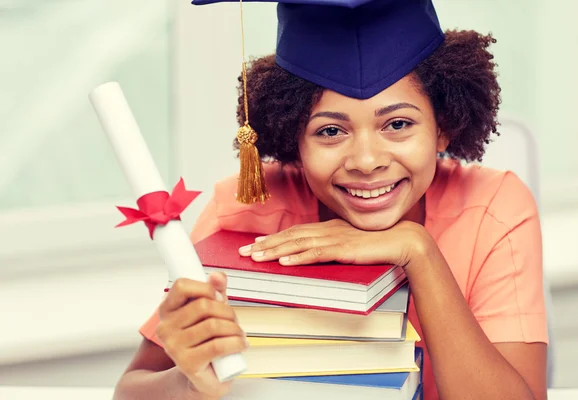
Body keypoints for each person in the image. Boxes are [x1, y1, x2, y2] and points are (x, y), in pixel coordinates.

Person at [113, 0, 549, 399]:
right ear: (292, 140)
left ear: (443, 128)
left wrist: (418, 250)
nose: (366, 161)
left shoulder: (494, 207)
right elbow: (132, 388)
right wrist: (187, 384)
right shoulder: (245, 210)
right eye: (330, 131)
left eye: (397, 124)